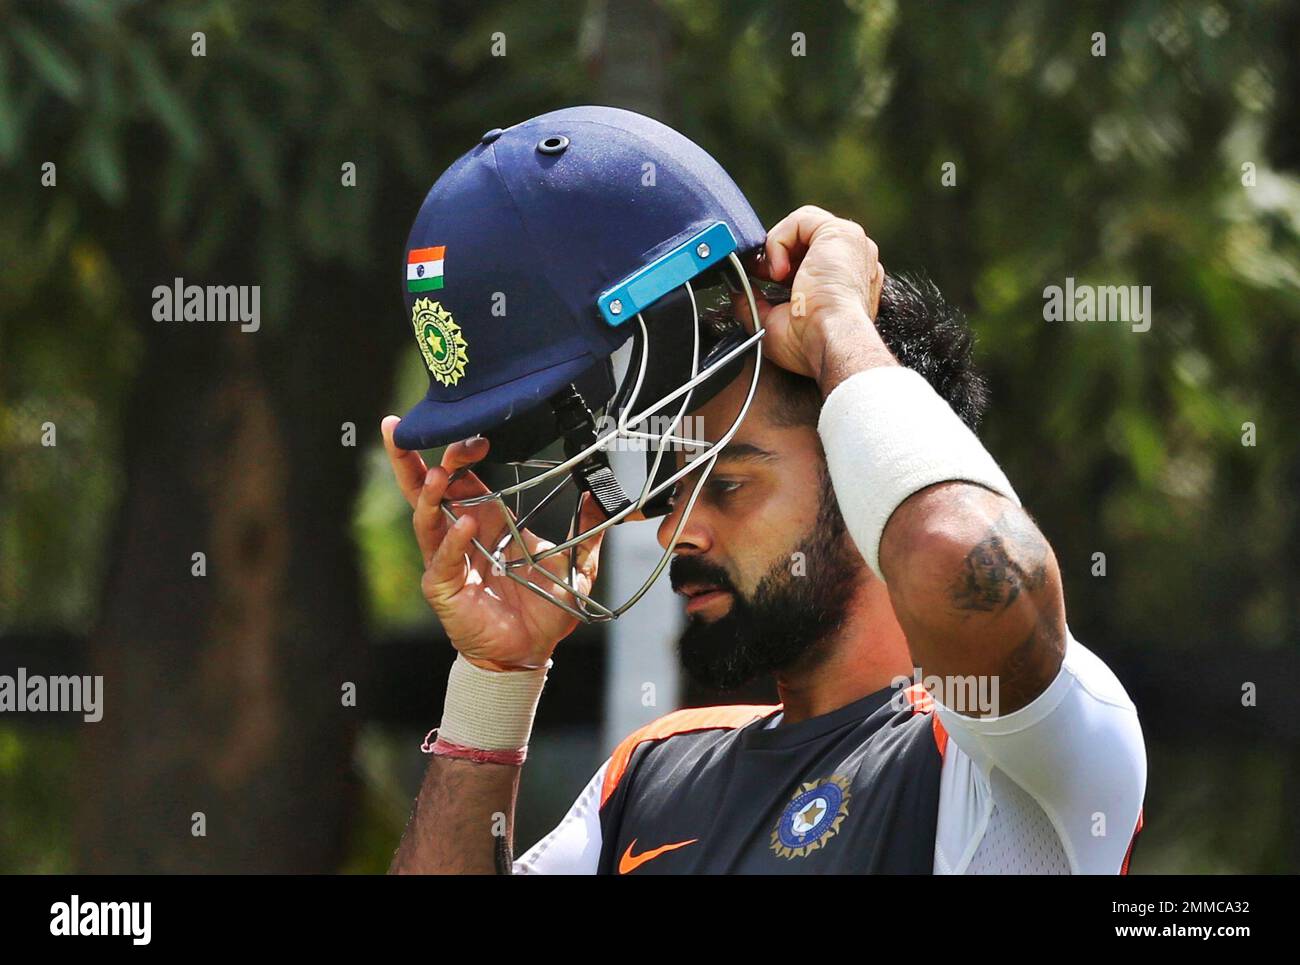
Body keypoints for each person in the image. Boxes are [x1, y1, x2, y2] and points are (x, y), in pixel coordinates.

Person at [383, 205, 1147, 874]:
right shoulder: (652, 777)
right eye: (677, 488)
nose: (679, 527)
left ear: (864, 482)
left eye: (729, 484)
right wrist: (497, 677)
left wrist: (838, 323)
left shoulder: (1014, 750)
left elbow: (957, 553)